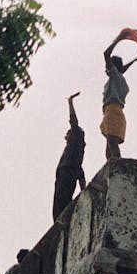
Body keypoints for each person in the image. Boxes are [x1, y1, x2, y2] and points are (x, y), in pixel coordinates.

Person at [100, 32, 137, 160]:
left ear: (112, 67)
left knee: (112, 144)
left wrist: (118, 39)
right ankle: (112, 167)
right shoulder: (119, 79)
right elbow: (122, 70)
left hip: (112, 112)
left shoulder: (115, 76)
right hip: (114, 112)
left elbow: (105, 54)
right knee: (110, 147)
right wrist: (134, 61)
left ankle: (117, 167)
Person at [53, 92, 86, 221]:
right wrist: (84, 191)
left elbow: (74, 121)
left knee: (61, 204)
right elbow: (81, 174)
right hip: (65, 174)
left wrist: (70, 103)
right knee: (59, 205)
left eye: (68, 134)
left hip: (66, 174)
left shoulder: (76, 140)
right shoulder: (75, 153)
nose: (65, 137)